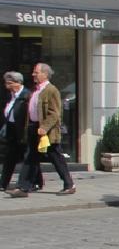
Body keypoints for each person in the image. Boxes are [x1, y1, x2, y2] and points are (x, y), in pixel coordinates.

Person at [8, 63, 74, 197]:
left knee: (56, 157)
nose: (33, 74)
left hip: (46, 131)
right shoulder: (36, 90)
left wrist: (44, 127)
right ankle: (23, 187)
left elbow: (55, 113)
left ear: (45, 74)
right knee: (30, 157)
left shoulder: (51, 90)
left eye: (36, 72)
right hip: (34, 128)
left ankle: (69, 184)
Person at [2, 72, 32, 191]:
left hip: (23, 131)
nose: (7, 86)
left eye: (10, 83)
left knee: (29, 157)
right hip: (12, 130)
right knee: (10, 157)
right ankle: (3, 183)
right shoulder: (11, 95)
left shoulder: (26, 95)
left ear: (18, 83)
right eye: (6, 83)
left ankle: (35, 181)